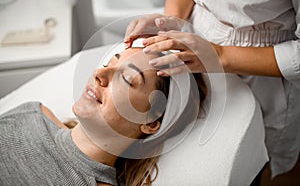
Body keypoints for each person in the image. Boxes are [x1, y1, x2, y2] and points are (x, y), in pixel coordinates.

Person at [124, 0, 300, 183]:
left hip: (262, 67)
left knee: (255, 163)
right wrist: (171, 21)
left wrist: (220, 55)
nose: (100, 76)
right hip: (194, 36)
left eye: (129, 79)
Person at [0, 46, 205, 186]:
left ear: (150, 121)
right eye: (108, 64)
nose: (99, 73)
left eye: (126, 78)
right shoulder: (33, 113)